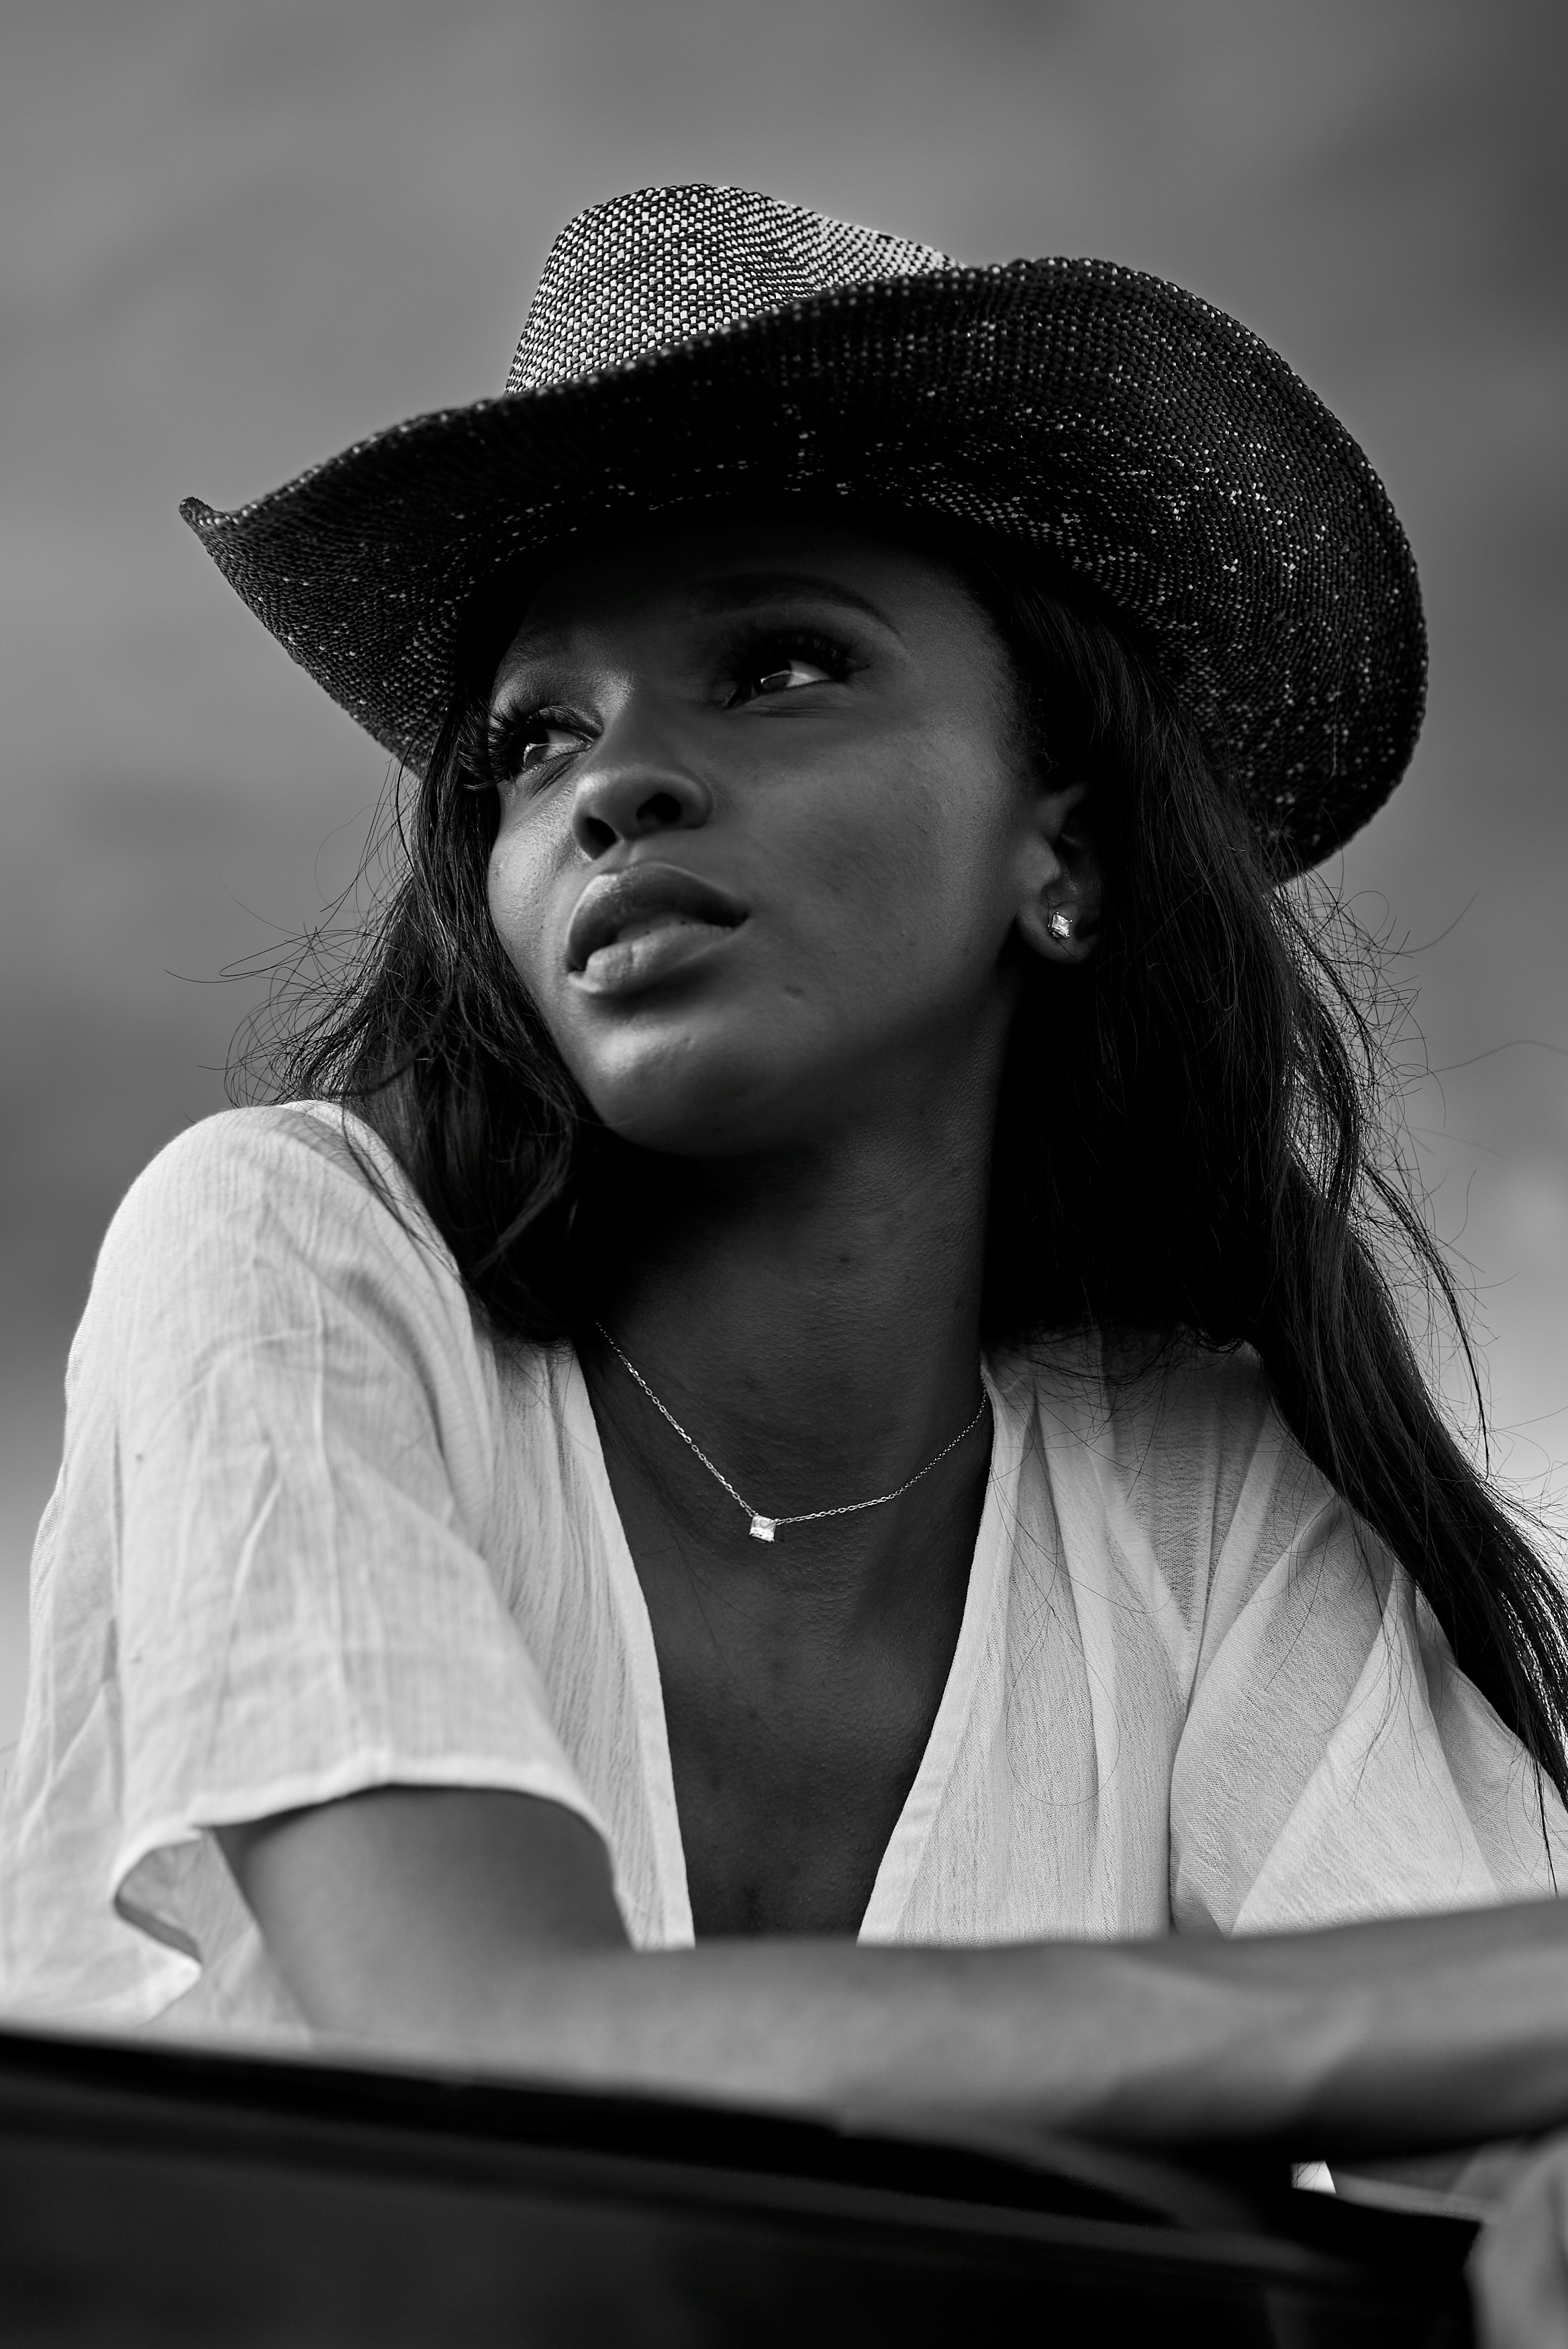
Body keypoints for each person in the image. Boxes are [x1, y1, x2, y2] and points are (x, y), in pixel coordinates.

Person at [3, 183, 1568, 2338]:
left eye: (781, 664)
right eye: (536, 739)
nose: (619, 784)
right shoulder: (285, 1249)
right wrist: (1480, 2011)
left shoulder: (1193, 1492)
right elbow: (475, 2037)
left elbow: (1497, 2121)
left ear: (1069, 845)